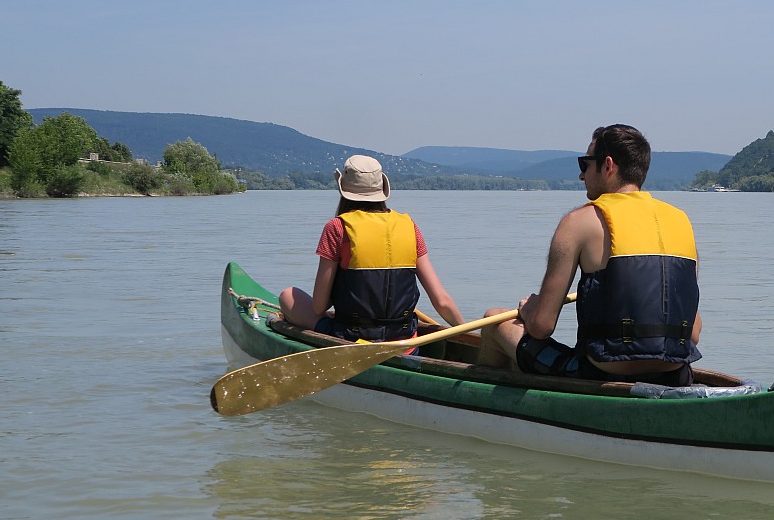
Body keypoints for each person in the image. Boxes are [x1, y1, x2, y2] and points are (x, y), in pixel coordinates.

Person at [476, 124, 702, 386]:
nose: (582, 176)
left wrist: (529, 310)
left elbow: (541, 326)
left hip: (602, 373)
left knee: (493, 321)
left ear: (607, 166)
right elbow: (693, 333)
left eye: (585, 164)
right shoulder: (680, 222)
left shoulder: (579, 222)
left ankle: (497, 412)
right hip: (676, 374)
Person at [279, 155, 465, 343]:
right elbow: (442, 301)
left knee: (288, 295)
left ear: (343, 189)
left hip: (352, 339)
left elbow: (319, 306)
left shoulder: (337, 228)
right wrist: (467, 333)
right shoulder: (410, 227)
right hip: (405, 341)